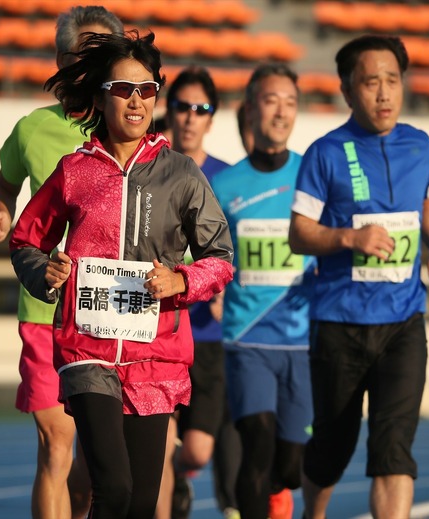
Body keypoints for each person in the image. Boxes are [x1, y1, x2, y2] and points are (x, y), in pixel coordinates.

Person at [9, 31, 234, 517]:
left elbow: (220, 256)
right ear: (99, 97)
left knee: (141, 502)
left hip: (156, 354)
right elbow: (26, 239)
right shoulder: (75, 171)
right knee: (112, 488)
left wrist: (182, 280)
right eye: (122, 90)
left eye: (147, 90)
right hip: (85, 347)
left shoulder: (182, 174)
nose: (136, 101)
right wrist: (44, 270)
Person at [287, 34, 429, 519]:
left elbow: (427, 199)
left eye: (392, 81)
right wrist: (348, 239)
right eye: (370, 82)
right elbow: (299, 234)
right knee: (333, 448)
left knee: (393, 449)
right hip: (339, 324)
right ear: (347, 90)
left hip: (404, 321)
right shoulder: (326, 153)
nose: (384, 93)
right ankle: (313, 513)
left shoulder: (420, 145)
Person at [0, 7, 123, 519]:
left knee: (93, 469)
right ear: (63, 60)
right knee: (56, 443)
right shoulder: (32, 129)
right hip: (45, 308)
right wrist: (1, 214)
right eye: (87, 50)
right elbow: (6, 182)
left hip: (112, 315)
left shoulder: (130, 128)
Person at [210, 63, 314, 519]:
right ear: (251, 109)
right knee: (257, 444)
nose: (281, 112)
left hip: (303, 342)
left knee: (290, 467)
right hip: (247, 340)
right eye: (272, 100)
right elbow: (206, 254)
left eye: (290, 102)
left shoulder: (313, 175)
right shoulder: (224, 186)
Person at [156, 66, 242, 519]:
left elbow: (237, 250)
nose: (190, 117)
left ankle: (180, 481)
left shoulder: (226, 180)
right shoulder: (150, 171)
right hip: (159, 329)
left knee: (196, 452)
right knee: (158, 443)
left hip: (209, 338)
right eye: (182, 107)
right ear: (167, 112)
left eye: (200, 109)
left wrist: (228, 283)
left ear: (212, 118)